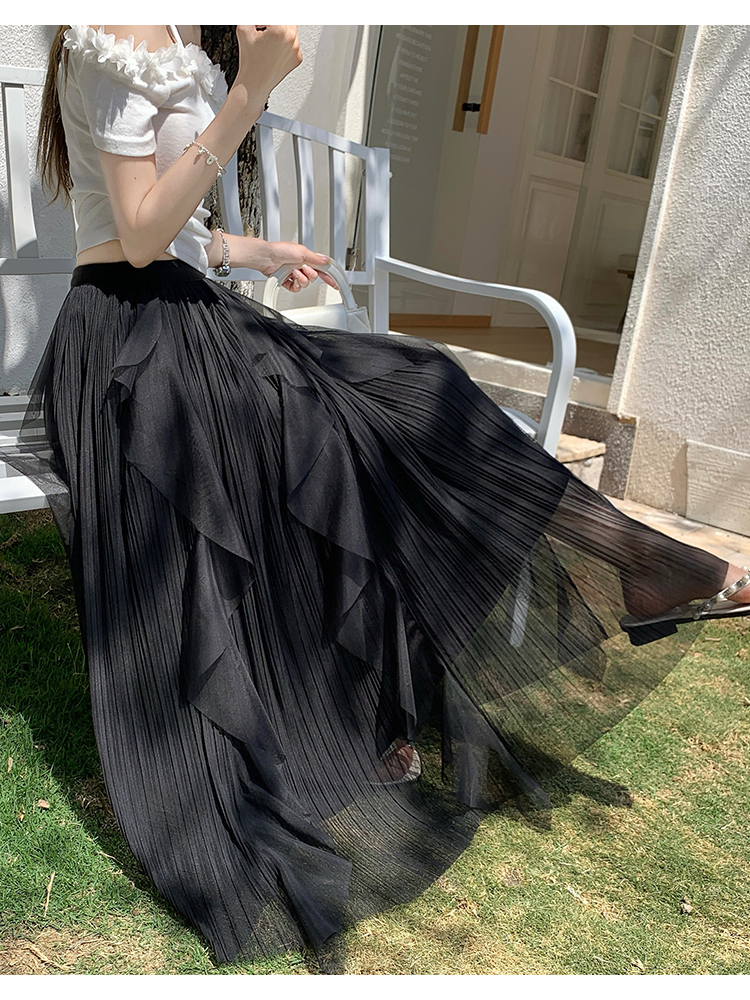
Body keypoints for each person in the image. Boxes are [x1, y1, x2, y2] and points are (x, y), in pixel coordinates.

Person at [5, 23, 749, 968]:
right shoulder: (118, 28)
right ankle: (609, 577)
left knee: (412, 388)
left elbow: (168, 228)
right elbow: (139, 235)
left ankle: (627, 565)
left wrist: (249, 249)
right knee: (350, 425)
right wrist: (249, 95)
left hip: (184, 315)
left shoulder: (163, 30)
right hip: (130, 346)